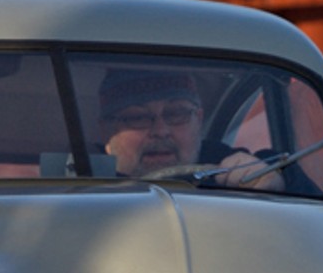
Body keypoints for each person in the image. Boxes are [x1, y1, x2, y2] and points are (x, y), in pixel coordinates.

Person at [97, 68, 283, 190]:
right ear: (107, 131)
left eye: (177, 113)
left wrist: (273, 184)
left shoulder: (229, 170)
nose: (161, 131)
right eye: (138, 118)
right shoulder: (79, 188)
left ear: (198, 120)